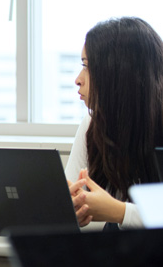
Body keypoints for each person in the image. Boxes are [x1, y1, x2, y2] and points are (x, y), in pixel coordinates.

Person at [67, 17, 163, 229]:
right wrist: (74, 209)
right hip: (116, 254)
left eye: (87, 67)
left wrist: (119, 212)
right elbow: (71, 196)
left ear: (118, 72)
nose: (78, 79)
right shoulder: (92, 124)